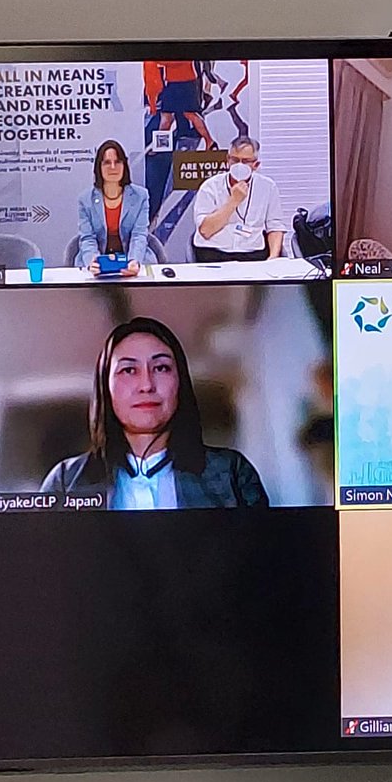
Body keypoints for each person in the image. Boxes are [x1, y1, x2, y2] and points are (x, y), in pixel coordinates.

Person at [41, 317, 269, 509]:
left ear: (181, 382)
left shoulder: (231, 473)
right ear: (104, 388)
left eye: (161, 368)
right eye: (129, 370)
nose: (147, 384)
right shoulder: (65, 481)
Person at [192, 136, 288, 262]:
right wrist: (233, 201)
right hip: (214, 252)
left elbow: (275, 226)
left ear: (256, 164)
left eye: (245, 161)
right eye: (235, 160)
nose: (239, 165)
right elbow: (205, 230)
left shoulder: (268, 187)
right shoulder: (210, 186)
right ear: (228, 160)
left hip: (252, 253)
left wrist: (273, 257)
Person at [76, 140, 152, 276]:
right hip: (98, 266)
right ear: (98, 167)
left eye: (117, 162)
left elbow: (139, 235)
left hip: (131, 262)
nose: (113, 167)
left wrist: (134, 261)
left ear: (124, 165)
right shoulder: (85, 199)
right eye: (106, 162)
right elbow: (87, 238)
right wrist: (92, 261)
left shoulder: (141, 196)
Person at [145, 60, 217, 151]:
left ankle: (209, 141)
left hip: (186, 83)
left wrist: (160, 61)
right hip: (172, 83)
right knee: (166, 116)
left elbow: (178, 62)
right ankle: (160, 146)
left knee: (190, 114)